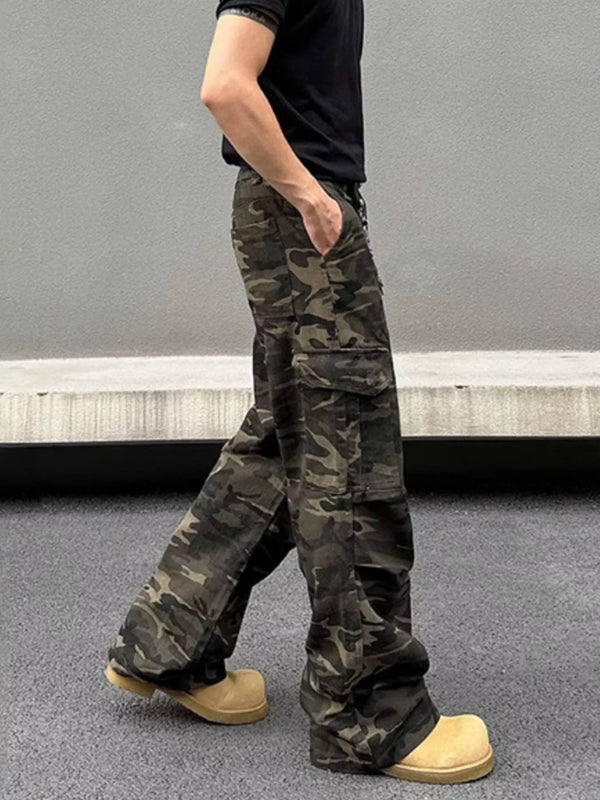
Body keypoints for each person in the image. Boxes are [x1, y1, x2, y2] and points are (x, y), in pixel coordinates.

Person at [104, 1, 494, 785]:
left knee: (291, 439)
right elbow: (226, 84)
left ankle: (171, 640)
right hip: (301, 215)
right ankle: (368, 713)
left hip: (294, 213)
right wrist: (311, 197)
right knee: (347, 447)